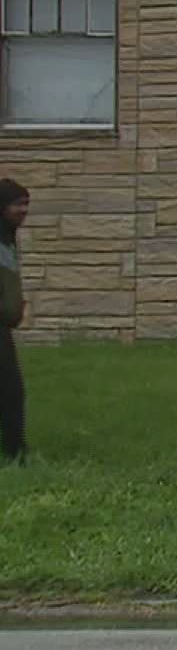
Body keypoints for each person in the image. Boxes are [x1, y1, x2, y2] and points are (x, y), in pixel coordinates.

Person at [0, 179, 31, 466]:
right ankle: (14, 451)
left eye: (26, 205)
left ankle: (15, 449)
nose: (23, 211)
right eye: (17, 204)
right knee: (10, 388)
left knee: (11, 389)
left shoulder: (8, 238)